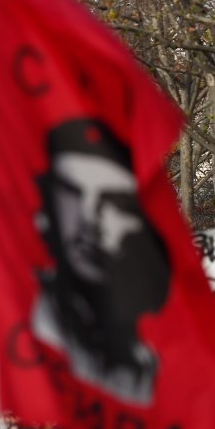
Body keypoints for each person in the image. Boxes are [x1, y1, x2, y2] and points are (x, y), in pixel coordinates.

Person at [32, 118, 166, 403]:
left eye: (114, 202)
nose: (91, 221)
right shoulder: (37, 328)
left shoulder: (152, 354)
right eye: (73, 195)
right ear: (46, 215)